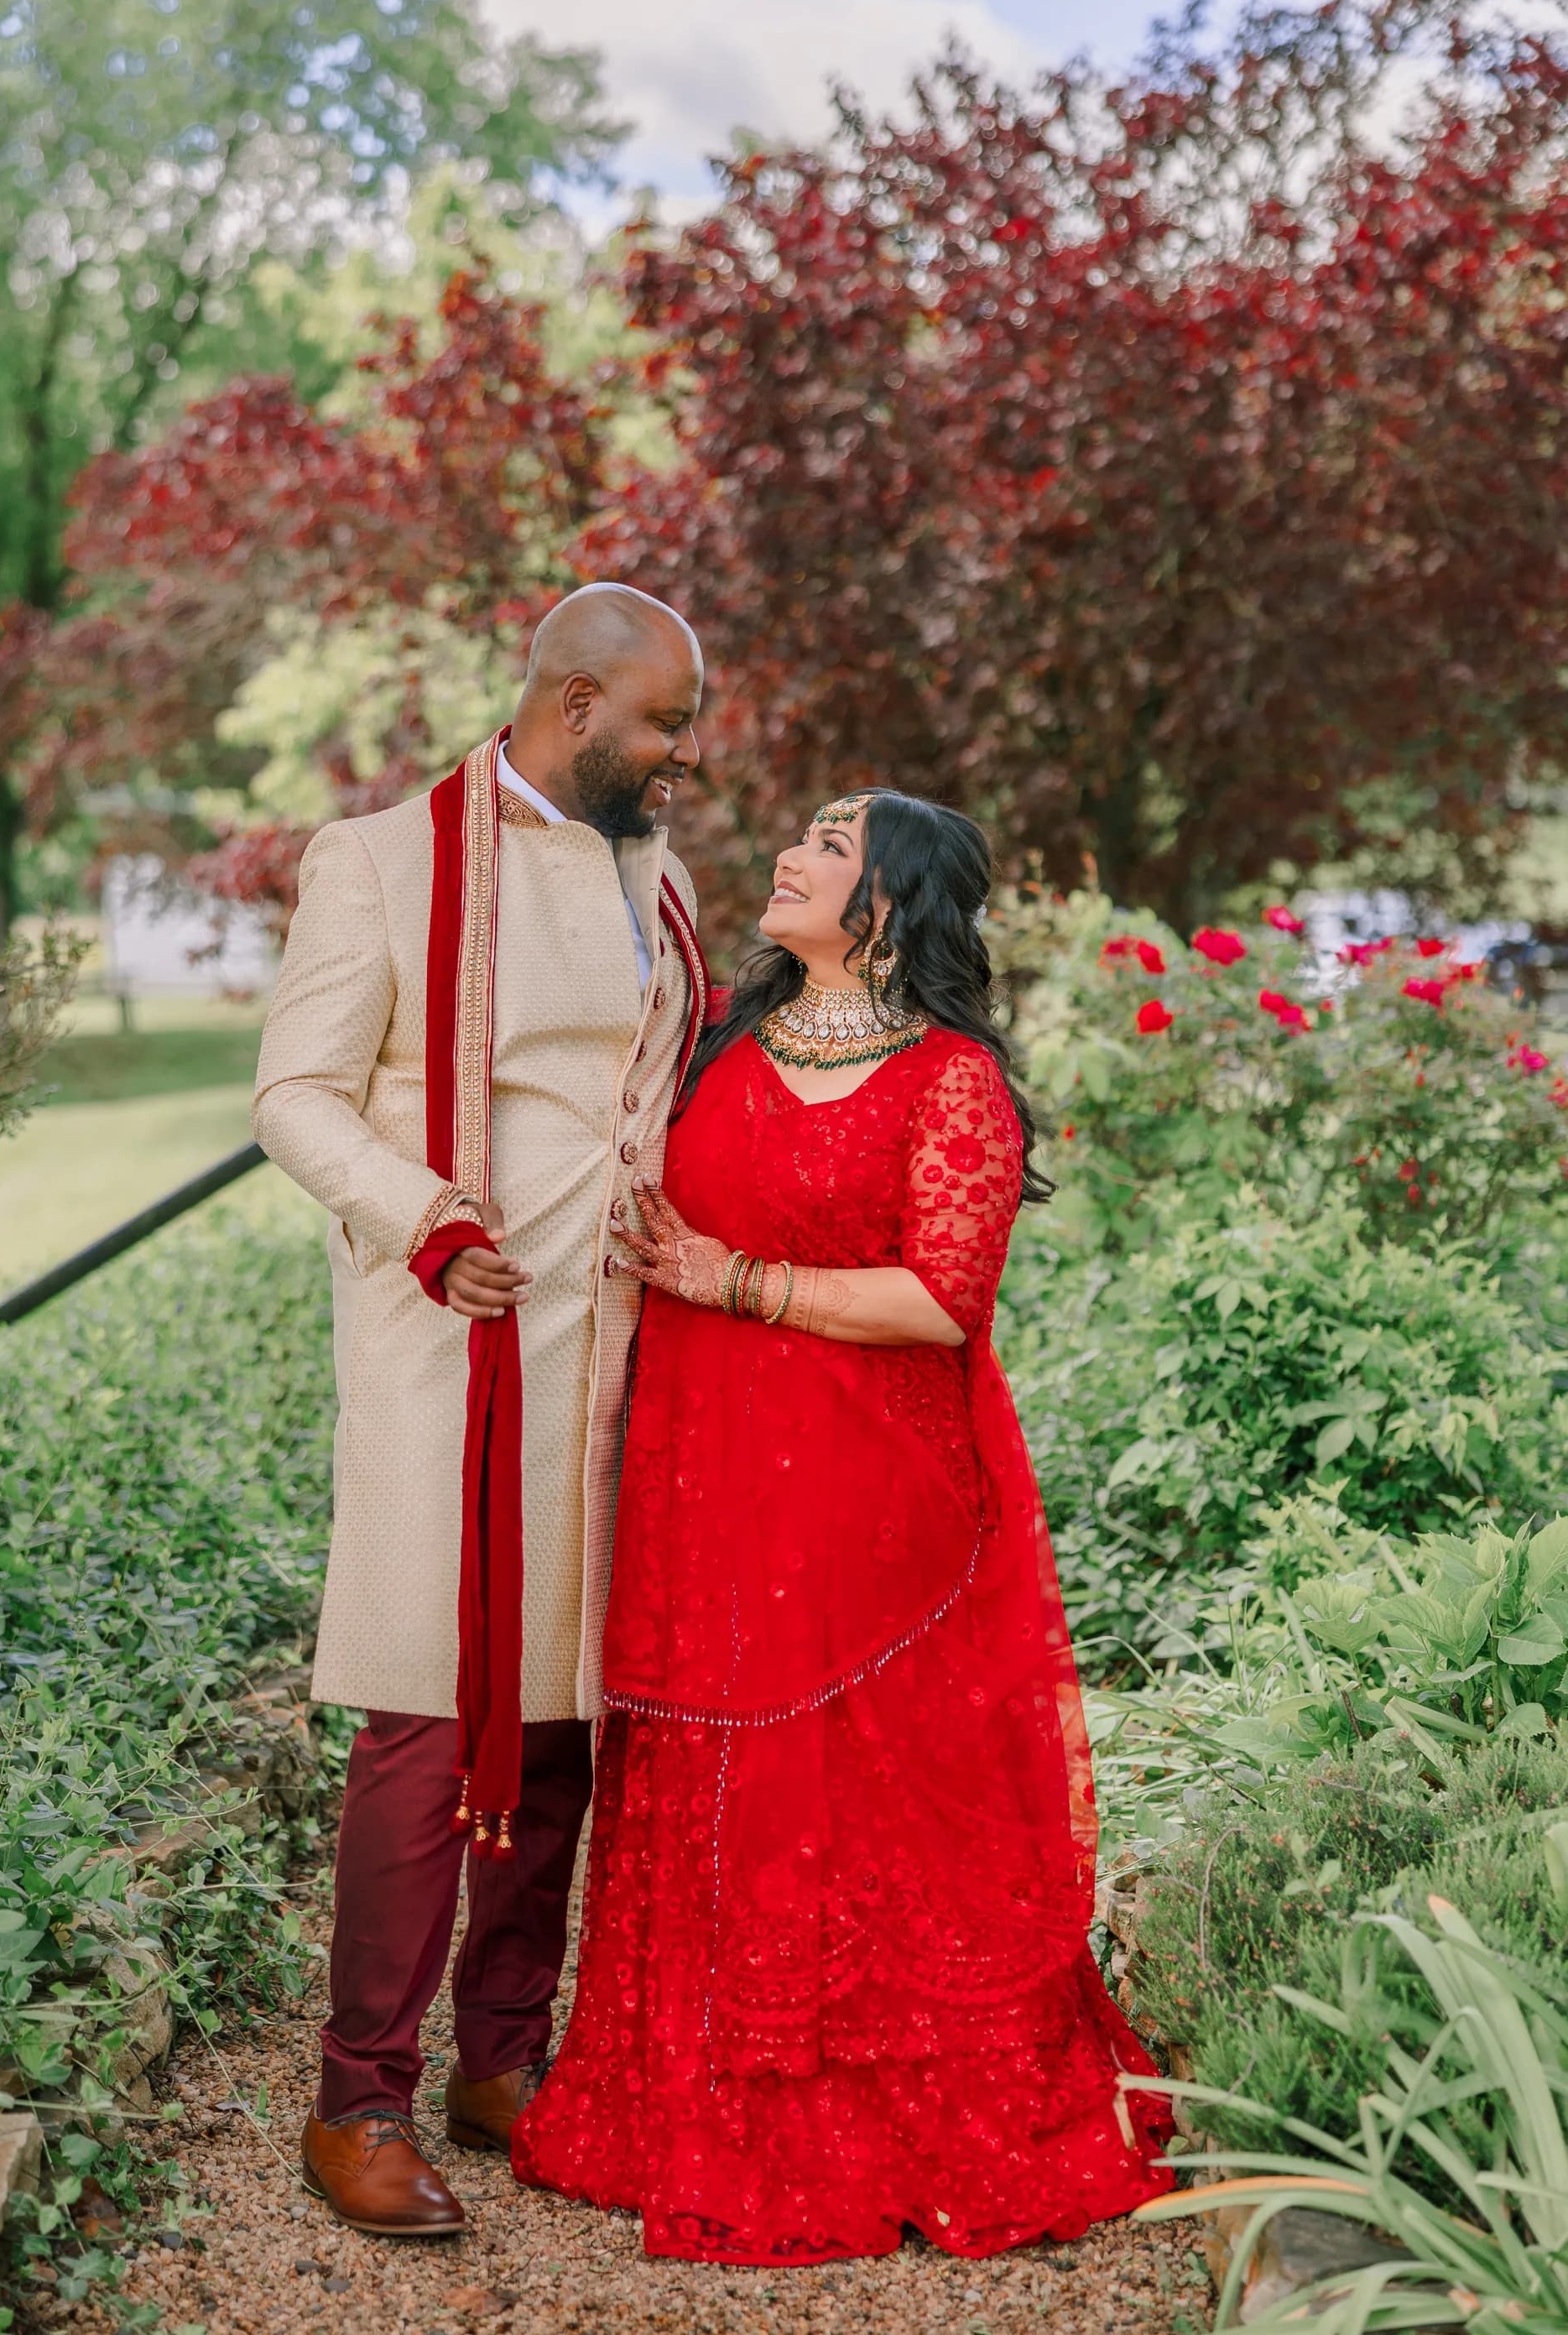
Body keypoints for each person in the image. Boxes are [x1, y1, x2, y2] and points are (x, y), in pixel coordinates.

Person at [513, 789, 1168, 2264]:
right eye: (798, 833)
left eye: (826, 844)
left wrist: (728, 1280)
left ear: (890, 902)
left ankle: (893, 2103)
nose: (791, 855)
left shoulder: (953, 1082)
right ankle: (684, 2088)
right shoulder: (721, 1049)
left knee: (864, 1776)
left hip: (880, 1499)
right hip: (707, 1480)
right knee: (717, 1754)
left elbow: (943, 1300)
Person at [251, 583, 707, 2236]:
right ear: (573, 704)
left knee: (569, 1716)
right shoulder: (378, 860)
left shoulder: (652, 869)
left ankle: (502, 2060)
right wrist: (422, 1214)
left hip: (623, 1346)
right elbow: (293, 1094)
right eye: (662, 724)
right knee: (432, 1717)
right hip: (450, 1334)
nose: (683, 759)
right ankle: (357, 2093)